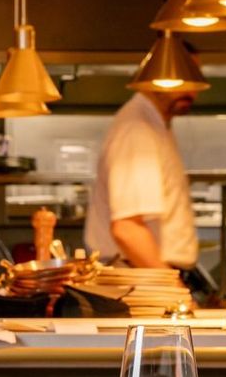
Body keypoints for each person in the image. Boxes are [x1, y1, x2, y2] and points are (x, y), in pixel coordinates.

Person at [84, 89, 199, 269]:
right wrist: (172, 289)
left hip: (148, 274)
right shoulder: (136, 128)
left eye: (194, 79)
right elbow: (128, 230)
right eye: (179, 79)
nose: (191, 91)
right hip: (140, 277)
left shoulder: (156, 123)